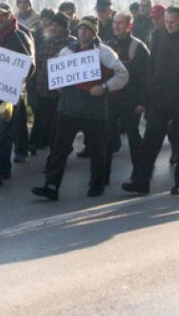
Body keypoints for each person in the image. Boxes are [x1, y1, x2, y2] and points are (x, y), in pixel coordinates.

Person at [32, 17, 128, 199]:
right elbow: (59, 74)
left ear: (94, 33)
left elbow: (123, 74)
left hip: (93, 110)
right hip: (69, 107)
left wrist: (105, 87)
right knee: (59, 148)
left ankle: (97, 184)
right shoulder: (67, 51)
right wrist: (59, 83)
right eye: (81, 28)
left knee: (96, 149)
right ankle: (51, 186)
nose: (83, 32)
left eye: (87, 29)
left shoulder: (104, 53)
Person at [122, 7, 179, 195]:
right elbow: (151, 69)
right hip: (159, 99)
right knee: (150, 141)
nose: (168, 25)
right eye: (166, 21)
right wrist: (147, 95)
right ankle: (140, 181)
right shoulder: (159, 38)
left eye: (172, 22)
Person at [0, 3, 36, 186]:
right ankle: (4, 168)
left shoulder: (21, 37)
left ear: (10, 16)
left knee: (4, 130)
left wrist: (18, 80)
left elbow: (31, 65)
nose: (0, 19)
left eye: (3, 15)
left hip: (10, 92)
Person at [103, 12, 149, 185]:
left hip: (131, 101)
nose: (116, 26)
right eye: (115, 22)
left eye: (121, 23)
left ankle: (139, 177)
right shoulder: (106, 45)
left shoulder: (139, 48)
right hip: (111, 99)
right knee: (106, 136)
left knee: (133, 136)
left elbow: (146, 78)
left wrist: (143, 102)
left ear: (130, 26)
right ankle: (103, 177)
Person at [26, 12, 75, 154]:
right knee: (42, 117)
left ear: (65, 28)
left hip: (61, 92)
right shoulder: (47, 41)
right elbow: (39, 63)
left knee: (58, 122)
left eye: (58, 26)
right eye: (52, 25)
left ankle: (58, 148)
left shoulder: (72, 44)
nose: (54, 28)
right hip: (43, 88)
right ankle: (36, 142)